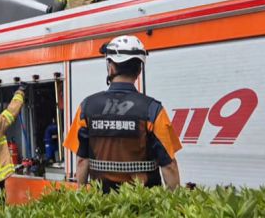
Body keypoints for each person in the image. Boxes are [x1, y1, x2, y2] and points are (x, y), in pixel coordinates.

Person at [64, 35, 182, 193]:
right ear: (139, 70)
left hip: (101, 201)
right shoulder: (153, 110)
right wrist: (173, 201)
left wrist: (82, 194)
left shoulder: (87, 107)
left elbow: (82, 161)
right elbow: (169, 165)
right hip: (144, 201)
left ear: (111, 68)